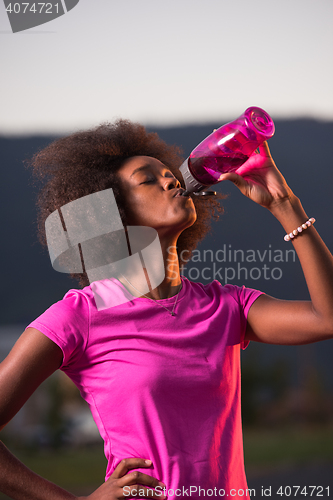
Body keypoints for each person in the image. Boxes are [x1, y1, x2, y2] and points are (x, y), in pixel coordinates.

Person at [1, 119, 333, 500]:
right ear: (115, 218)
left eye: (170, 174)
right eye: (148, 180)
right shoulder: (80, 316)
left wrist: (285, 205)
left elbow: (328, 318)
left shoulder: (227, 305)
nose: (172, 181)